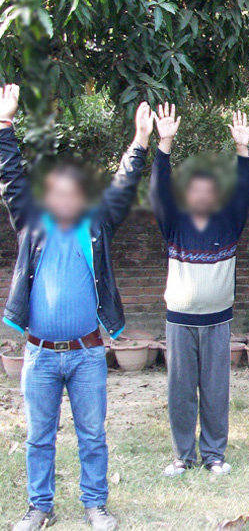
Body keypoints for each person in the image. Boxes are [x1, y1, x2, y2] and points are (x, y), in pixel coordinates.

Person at [0, 84, 154, 531]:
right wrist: (4, 123)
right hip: (40, 354)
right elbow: (10, 176)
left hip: (87, 354)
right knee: (38, 438)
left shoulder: (96, 225)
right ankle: (39, 507)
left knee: (92, 436)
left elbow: (123, 187)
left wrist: (141, 140)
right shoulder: (31, 223)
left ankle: (95, 505)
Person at [149, 104, 249, 477]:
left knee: (215, 390)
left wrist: (242, 150)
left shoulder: (229, 223)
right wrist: (164, 144)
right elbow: (158, 190)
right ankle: (183, 455)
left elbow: (245, 192)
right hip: (180, 322)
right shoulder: (174, 224)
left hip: (217, 322)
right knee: (180, 391)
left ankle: (214, 455)